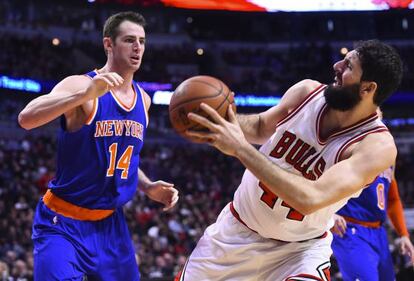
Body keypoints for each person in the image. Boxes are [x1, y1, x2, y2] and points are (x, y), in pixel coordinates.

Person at [175, 40, 403, 280]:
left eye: (348, 66)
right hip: (235, 233)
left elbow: (311, 198)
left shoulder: (376, 146)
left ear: (367, 89)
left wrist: (240, 148)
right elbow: (262, 126)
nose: (336, 65)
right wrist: (221, 120)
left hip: (298, 252)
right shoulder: (307, 93)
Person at [18, 11, 179, 281]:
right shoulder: (82, 84)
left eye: (142, 41)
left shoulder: (144, 101)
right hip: (63, 222)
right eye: (129, 40)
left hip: (110, 226)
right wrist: (85, 94)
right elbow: (26, 118)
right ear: (108, 44)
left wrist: (147, 186)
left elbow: (119, 160)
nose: (138, 47)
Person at [331, 166, 414, 281]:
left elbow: (392, 199)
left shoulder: (389, 153)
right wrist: (328, 213)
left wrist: (404, 234)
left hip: (379, 232)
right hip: (349, 229)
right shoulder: (347, 149)